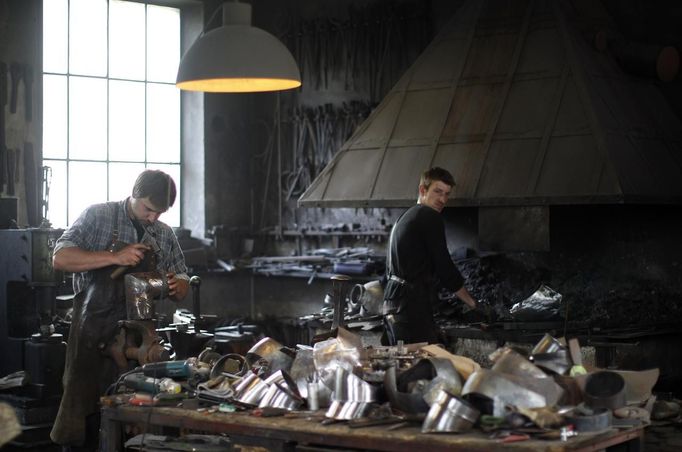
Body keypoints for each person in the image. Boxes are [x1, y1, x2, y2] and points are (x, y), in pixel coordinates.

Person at [50, 169, 189, 451]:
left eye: (159, 213)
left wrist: (178, 286)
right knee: (81, 414)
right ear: (134, 194)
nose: (153, 218)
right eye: (148, 209)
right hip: (91, 333)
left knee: (137, 417)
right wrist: (114, 257)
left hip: (139, 336)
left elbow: (183, 278)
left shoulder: (162, 233)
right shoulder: (98, 216)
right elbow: (60, 258)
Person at [382, 167, 482, 345]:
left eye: (447, 194)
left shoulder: (404, 217)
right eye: (438, 191)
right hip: (410, 306)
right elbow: (444, 266)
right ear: (423, 190)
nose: (443, 199)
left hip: (392, 304)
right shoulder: (429, 216)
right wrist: (473, 303)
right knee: (423, 366)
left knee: (404, 366)